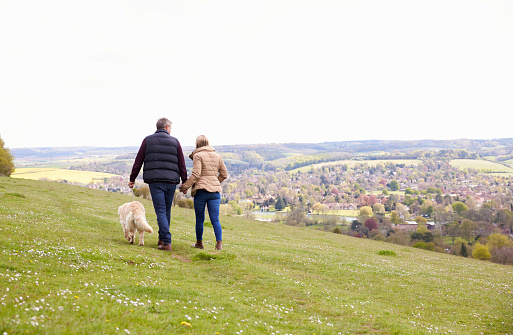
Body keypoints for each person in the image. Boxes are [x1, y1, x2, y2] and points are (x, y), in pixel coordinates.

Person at [128, 117, 187, 252]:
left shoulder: (147, 140)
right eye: (170, 128)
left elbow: (138, 161)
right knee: (166, 211)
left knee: (160, 210)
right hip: (171, 182)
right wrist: (185, 182)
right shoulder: (175, 142)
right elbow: (182, 164)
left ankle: (166, 241)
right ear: (166, 127)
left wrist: (132, 178)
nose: (171, 130)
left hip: (155, 181)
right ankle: (162, 239)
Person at [179, 135, 228, 250]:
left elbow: (196, 175)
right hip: (215, 192)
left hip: (201, 191)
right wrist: (215, 182)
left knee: (200, 219)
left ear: (197, 144)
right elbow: (224, 174)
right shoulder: (217, 156)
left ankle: (199, 243)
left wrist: (185, 186)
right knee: (215, 219)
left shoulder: (198, 155)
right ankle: (219, 244)